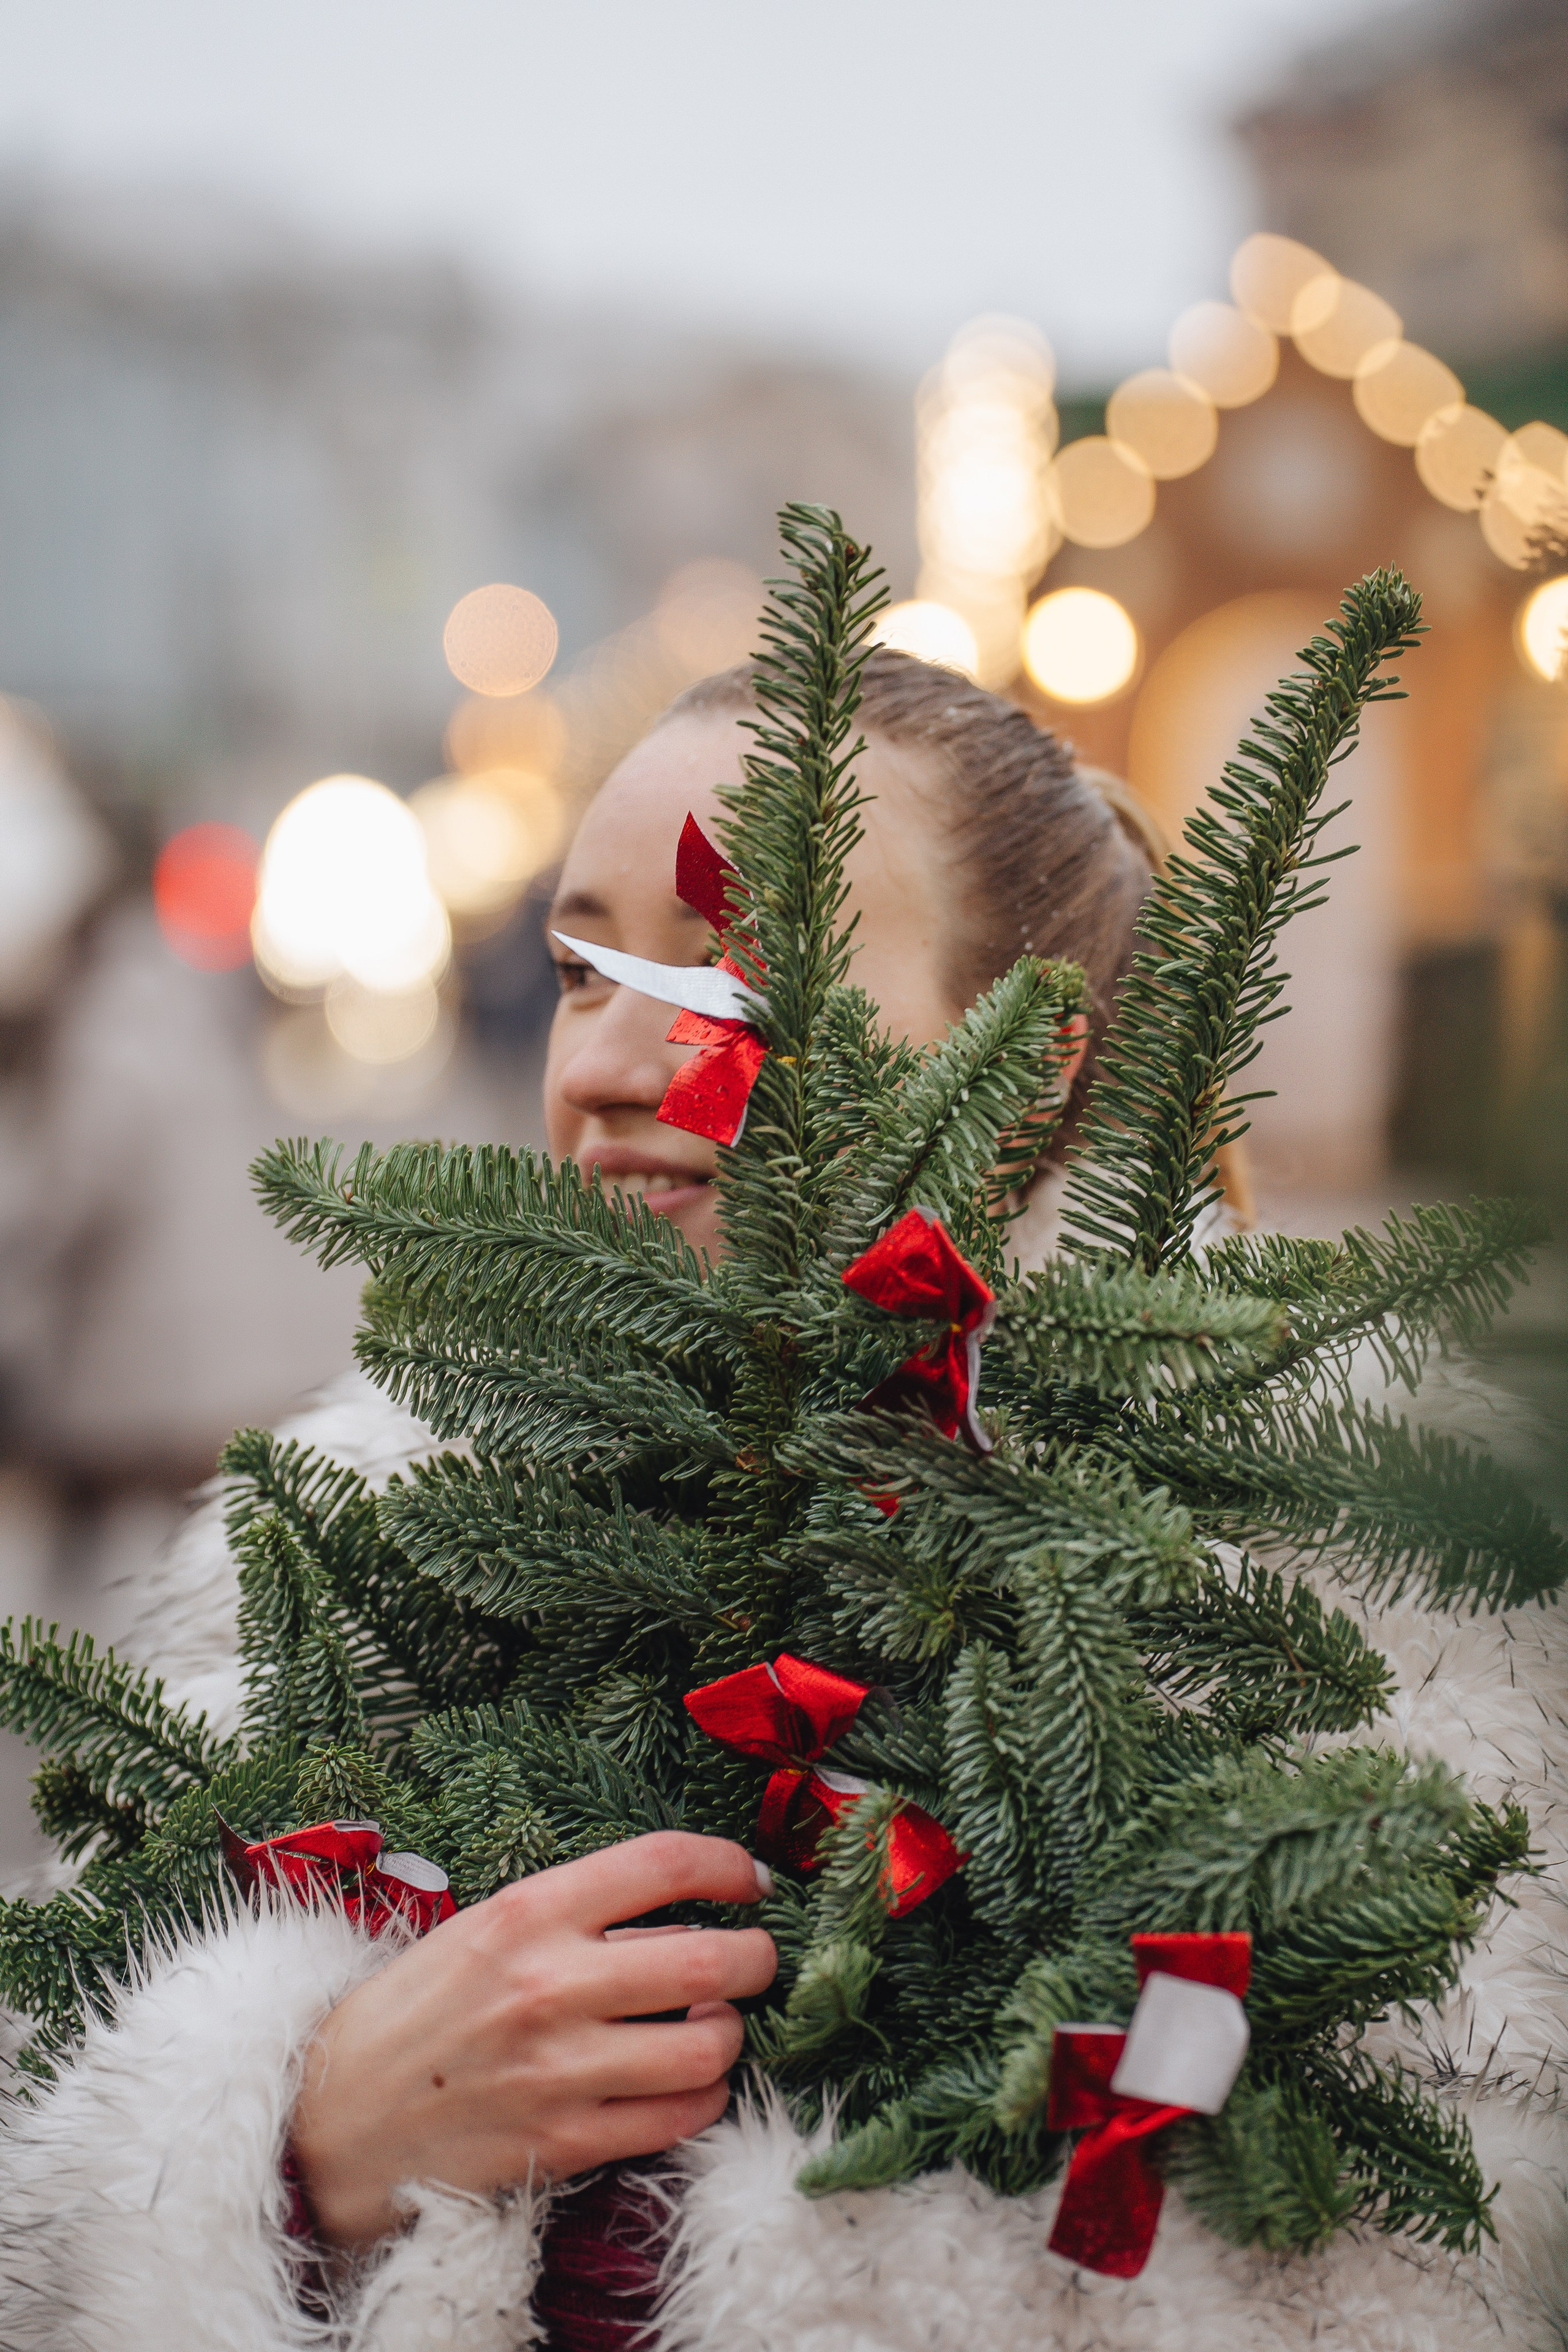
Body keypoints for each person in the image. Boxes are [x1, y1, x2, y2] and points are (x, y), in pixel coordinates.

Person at [2, 654, 1562, 2352]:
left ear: (1030, 1057)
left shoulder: (1349, 1630)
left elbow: (1439, 2263)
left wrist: (687, 2252)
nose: (604, 1058)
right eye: (583, 965)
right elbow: (48, 2135)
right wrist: (302, 2142)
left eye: (744, 981)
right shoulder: (366, 1561)